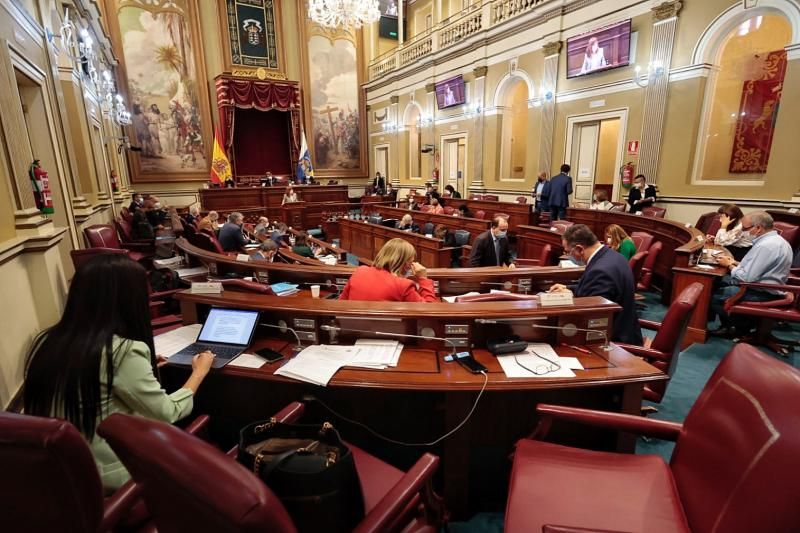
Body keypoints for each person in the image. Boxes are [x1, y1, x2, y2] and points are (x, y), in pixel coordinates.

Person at [23, 254, 214, 492]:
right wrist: (200, 371)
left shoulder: (47, 340)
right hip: (113, 478)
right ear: (128, 299)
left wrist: (138, 370)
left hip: (61, 471)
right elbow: (168, 412)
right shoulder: (123, 352)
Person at [549, 225, 643, 345]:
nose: (568, 256)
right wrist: (569, 289)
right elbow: (593, 289)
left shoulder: (601, 271)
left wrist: (565, 301)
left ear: (579, 249)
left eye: (568, 252)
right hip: (625, 328)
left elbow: (591, 315)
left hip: (612, 341)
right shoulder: (613, 256)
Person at [709, 212, 793, 337]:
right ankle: (739, 324)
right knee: (717, 283)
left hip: (763, 292)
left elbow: (747, 278)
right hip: (767, 287)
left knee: (713, 296)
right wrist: (734, 262)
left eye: (745, 228)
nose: (742, 232)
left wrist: (728, 265)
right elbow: (757, 268)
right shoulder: (777, 241)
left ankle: (739, 327)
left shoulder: (766, 246)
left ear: (758, 228)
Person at [340, 238, 436, 302]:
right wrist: (423, 278)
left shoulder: (360, 271)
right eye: (411, 262)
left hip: (352, 329)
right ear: (404, 263)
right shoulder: (403, 285)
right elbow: (429, 311)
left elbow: (342, 303)